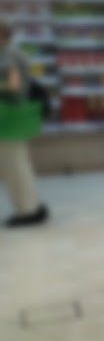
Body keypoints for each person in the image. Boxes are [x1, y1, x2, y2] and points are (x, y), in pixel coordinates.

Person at [0, 24, 47, 226]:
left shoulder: (8, 54)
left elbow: (14, 85)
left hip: (10, 116)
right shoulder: (12, 52)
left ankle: (26, 210)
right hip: (16, 117)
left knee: (13, 165)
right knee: (18, 163)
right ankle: (31, 206)